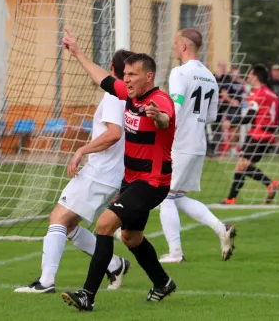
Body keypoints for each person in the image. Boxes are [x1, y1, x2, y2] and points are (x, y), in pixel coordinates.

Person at [60, 30, 176, 311]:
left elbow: (165, 119)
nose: (126, 80)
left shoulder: (159, 101)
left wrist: (156, 116)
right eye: (125, 75)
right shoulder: (129, 95)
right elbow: (102, 77)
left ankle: (87, 295)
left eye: (132, 75)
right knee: (130, 237)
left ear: (149, 76)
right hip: (132, 179)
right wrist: (77, 52)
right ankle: (163, 283)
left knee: (104, 224)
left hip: (153, 182)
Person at [14, 50, 132, 294]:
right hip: (111, 173)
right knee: (67, 224)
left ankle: (46, 282)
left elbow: (113, 134)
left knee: (57, 218)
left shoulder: (113, 96)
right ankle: (115, 264)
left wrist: (81, 149)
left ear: (111, 68)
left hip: (100, 172)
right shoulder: (130, 97)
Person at [158, 29, 237, 264]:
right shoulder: (210, 77)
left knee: (165, 198)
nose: (174, 48)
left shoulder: (179, 73)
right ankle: (221, 228)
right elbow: (212, 115)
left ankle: (175, 253)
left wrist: (161, 119)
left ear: (183, 46)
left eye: (175, 44)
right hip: (198, 143)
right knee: (178, 196)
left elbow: (175, 107)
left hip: (179, 142)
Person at [220, 64, 279, 205]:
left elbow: (250, 116)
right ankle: (231, 198)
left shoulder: (256, 93)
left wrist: (232, 122)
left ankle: (270, 183)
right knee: (242, 165)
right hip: (269, 136)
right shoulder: (273, 95)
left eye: (251, 75)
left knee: (243, 166)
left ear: (256, 77)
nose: (249, 78)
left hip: (257, 134)